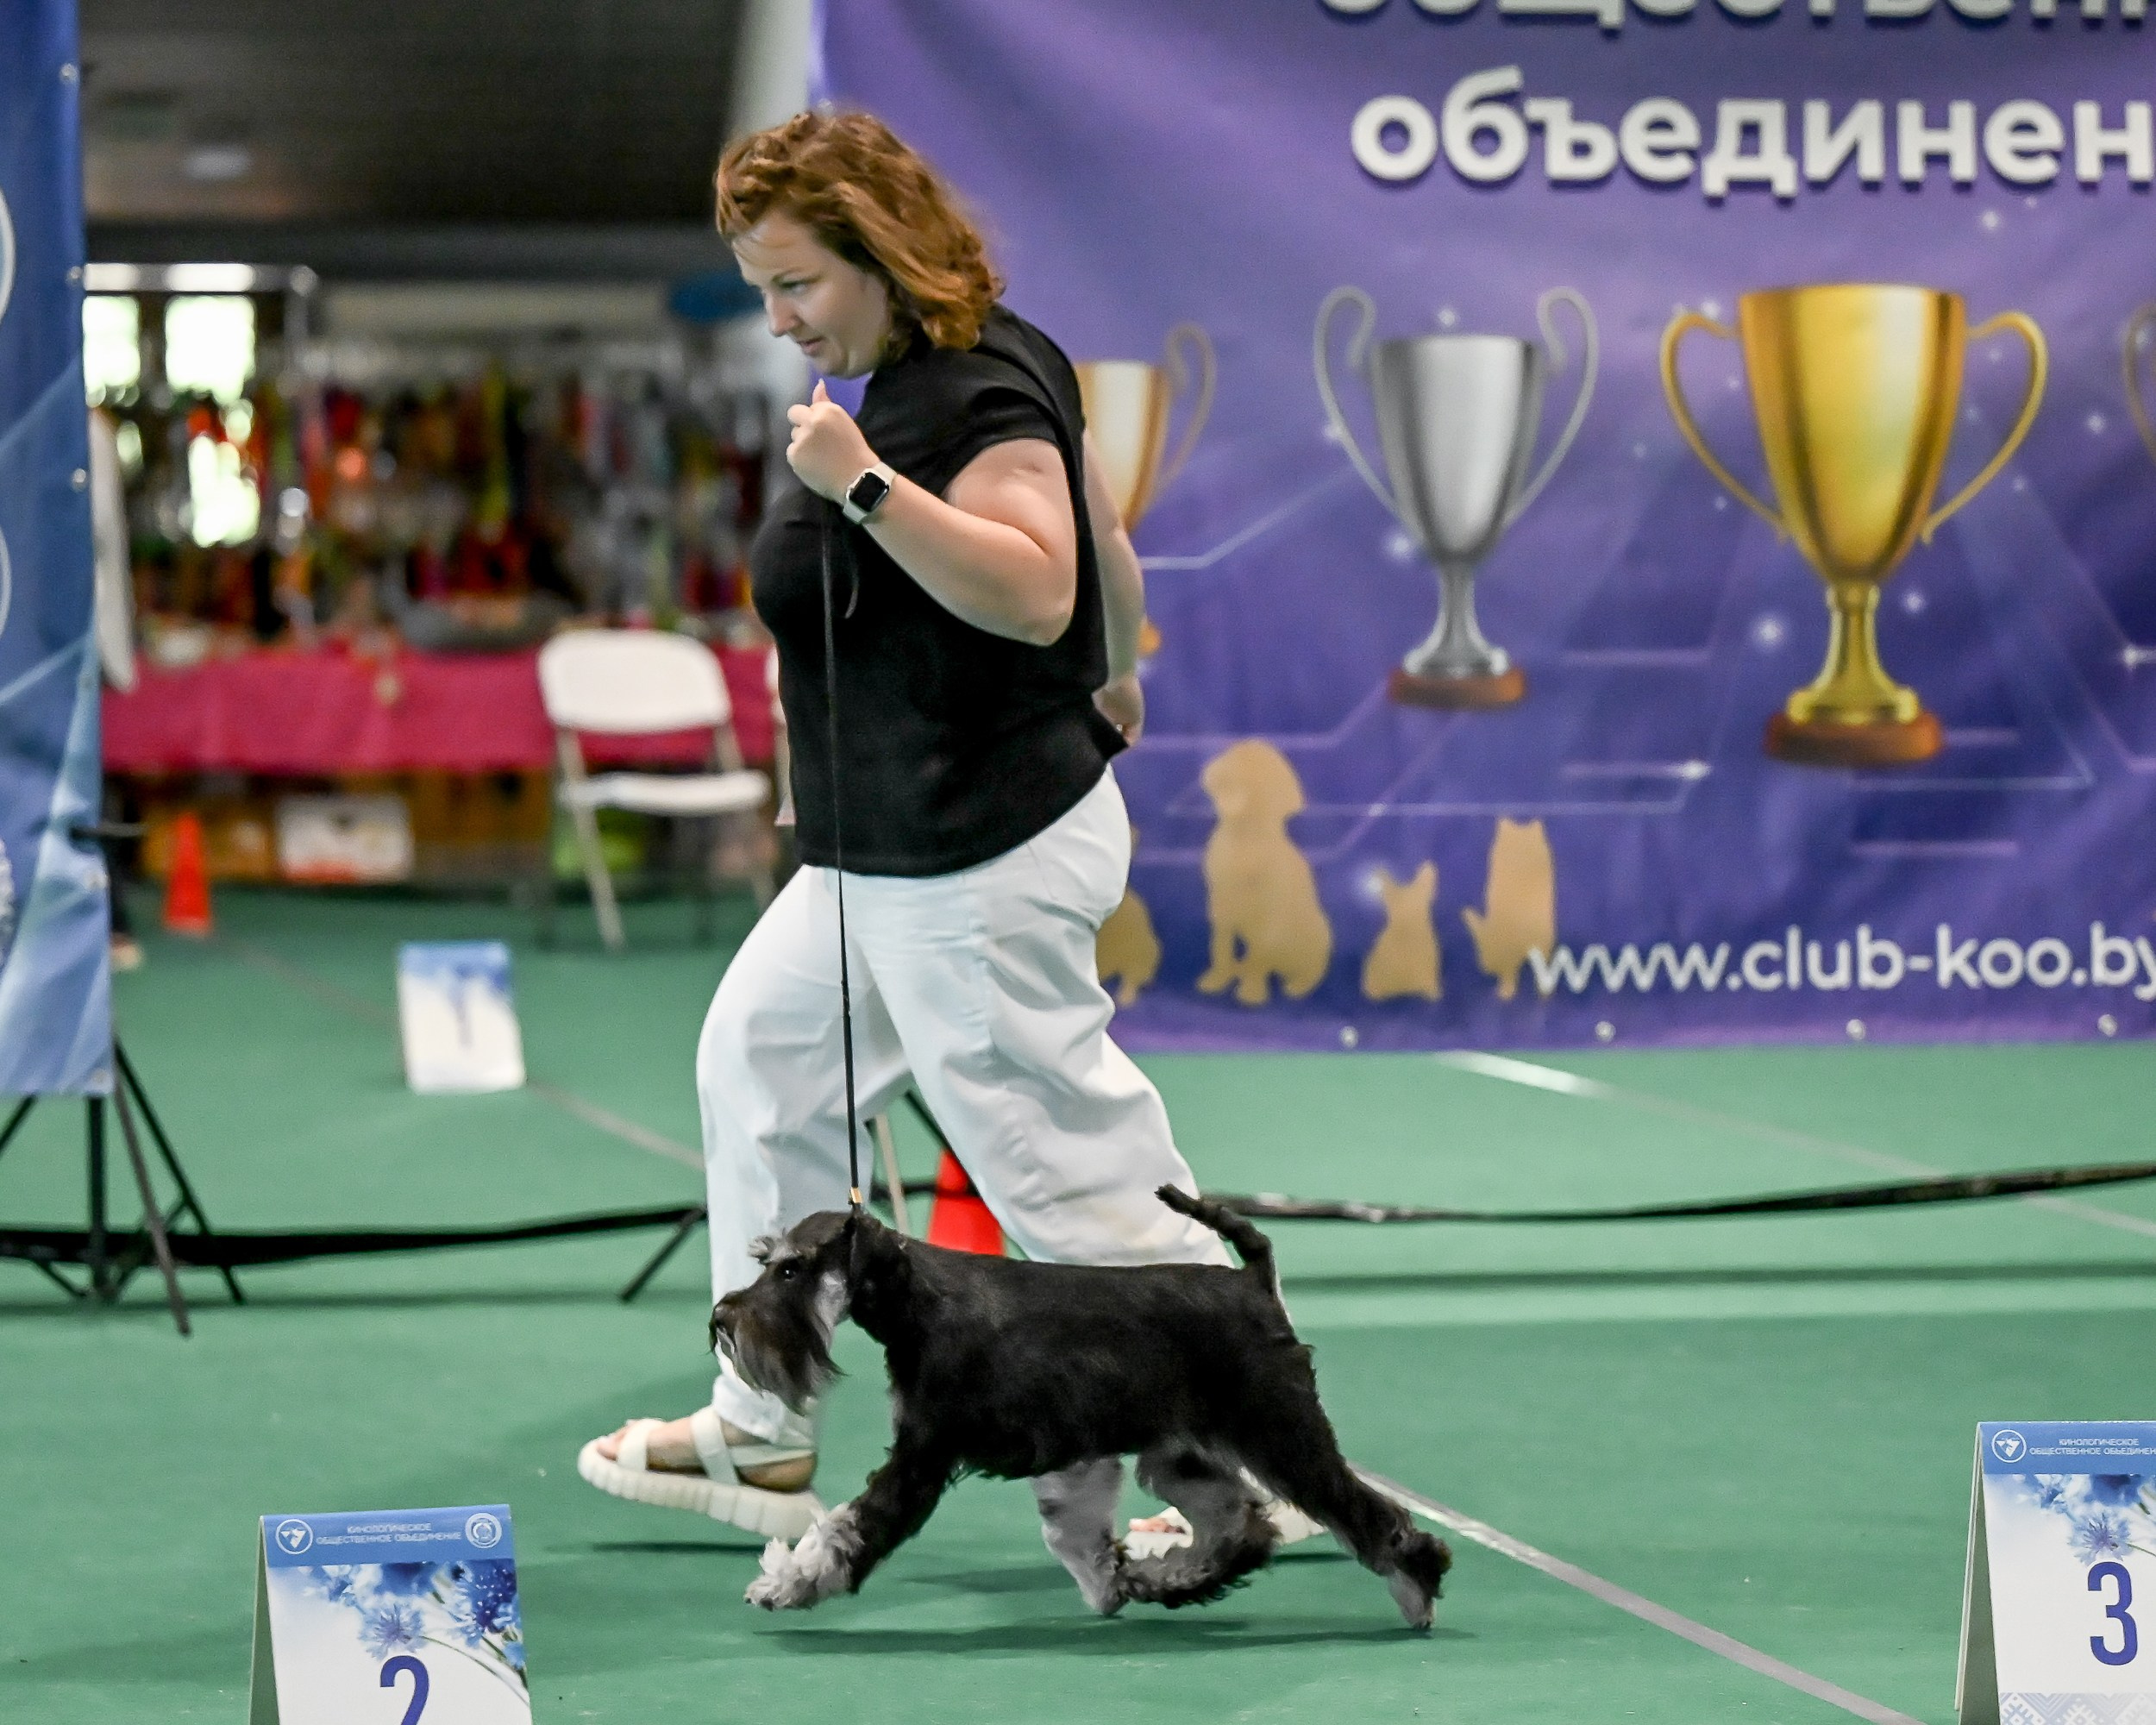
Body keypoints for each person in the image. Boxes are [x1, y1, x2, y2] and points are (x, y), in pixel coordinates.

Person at [577, 110, 1232, 1539]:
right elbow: (1111, 557)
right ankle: (760, 1427)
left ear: (880, 252)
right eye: (762, 285)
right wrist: (1120, 674)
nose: (778, 315)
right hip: (881, 851)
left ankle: (1212, 1444)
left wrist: (864, 491)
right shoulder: (896, 380)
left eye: (797, 280)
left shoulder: (973, 387)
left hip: (978, 849)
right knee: (760, 1064)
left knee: (1055, 1154)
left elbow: (1039, 584)